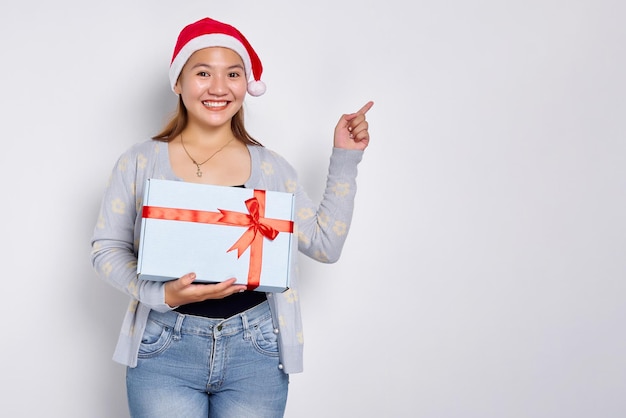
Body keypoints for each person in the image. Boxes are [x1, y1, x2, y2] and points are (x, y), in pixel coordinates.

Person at [90, 16, 373, 418]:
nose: (219, 87)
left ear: (246, 84)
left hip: (255, 351)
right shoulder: (140, 161)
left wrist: (345, 158)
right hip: (164, 349)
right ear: (178, 82)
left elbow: (326, 245)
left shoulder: (274, 169)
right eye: (203, 72)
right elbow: (106, 249)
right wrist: (161, 295)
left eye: (233, 74)